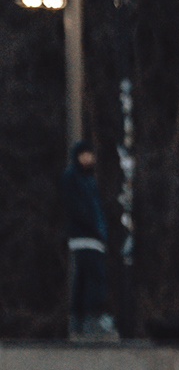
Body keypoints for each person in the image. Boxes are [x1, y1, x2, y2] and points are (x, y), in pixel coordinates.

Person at [59, 141, 114, 338]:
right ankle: (92, 318)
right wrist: (93, 226)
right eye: (84, 154)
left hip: (91, 236)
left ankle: (78, 322)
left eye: (90, 154)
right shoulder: (73, 177)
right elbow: (77, 207)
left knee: (83, 279)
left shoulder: (88, 179)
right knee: (95, 277)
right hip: (85, 235)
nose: (88, 158)